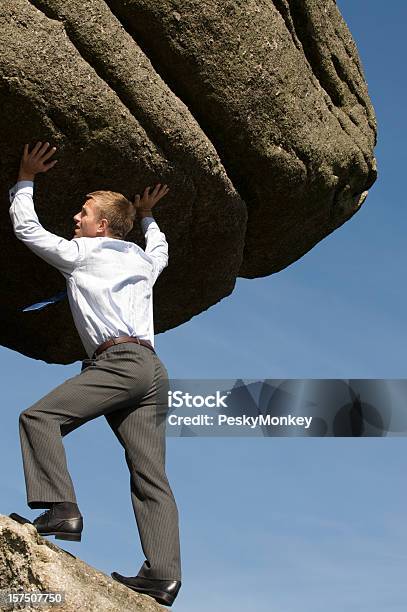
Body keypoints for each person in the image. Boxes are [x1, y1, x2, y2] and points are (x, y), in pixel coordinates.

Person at [8, 141, 182, 607]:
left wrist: (25, 177)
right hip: (152, 371)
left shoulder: (83, 252)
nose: (75, 219)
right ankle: (164, 576)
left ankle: (61, 509)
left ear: (101, 226)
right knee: (151, 476)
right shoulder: (142, 262)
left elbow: (27, 229)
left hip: (119, 364)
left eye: (83, 213)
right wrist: (147, 216)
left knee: (38, 418)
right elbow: (161, 250)